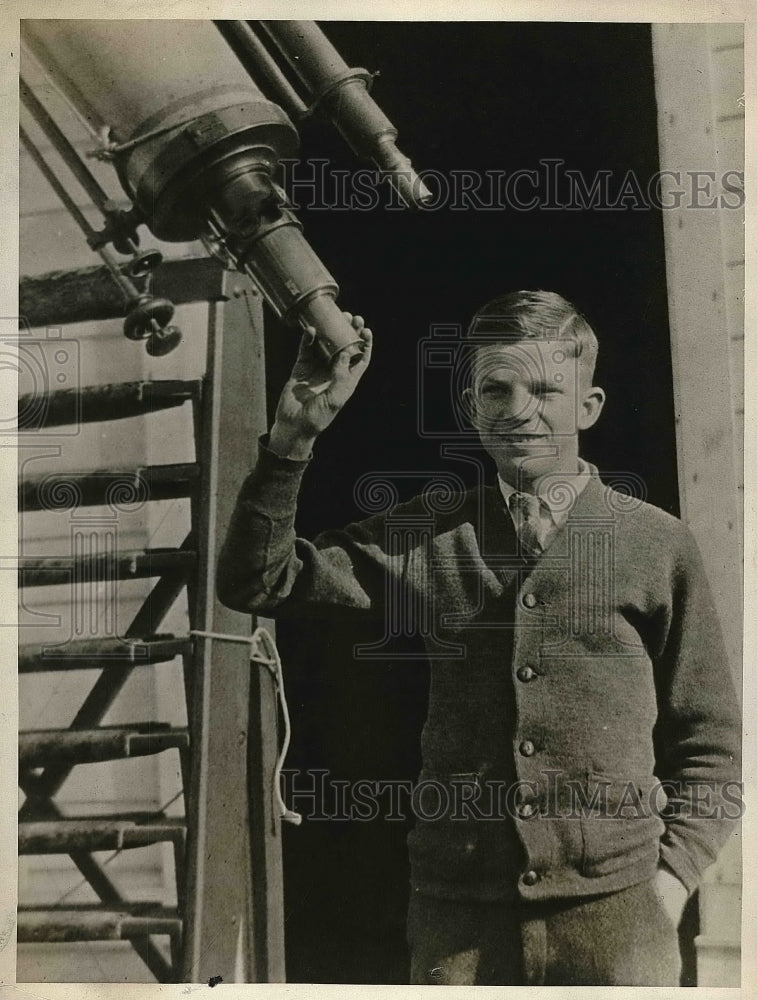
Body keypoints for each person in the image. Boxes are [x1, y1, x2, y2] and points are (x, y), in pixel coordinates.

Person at [217, 290, 741, 986]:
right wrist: (292, 438)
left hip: (619, 922)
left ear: (588, 407)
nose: (520, 410)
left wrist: (669, 882)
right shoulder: (427, 534)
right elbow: (259, 581)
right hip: (459, 925)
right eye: (497, 389)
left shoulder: (657, 544)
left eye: (546, 390)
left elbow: (711, 745)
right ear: (471, 408)